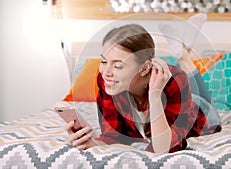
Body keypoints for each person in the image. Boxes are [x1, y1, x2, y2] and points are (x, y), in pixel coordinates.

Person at [66, 15, 221, 153]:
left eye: (118, 65)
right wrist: (91, 142)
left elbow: (165, 148)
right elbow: (114, 135)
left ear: (145, 68)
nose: (106, 71)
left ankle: (184, 55)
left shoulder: (175, 80)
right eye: (104, 61)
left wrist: (154, 95)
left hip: (201, 113)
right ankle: (182, 49)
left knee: (202, 97)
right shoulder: (108, 81)